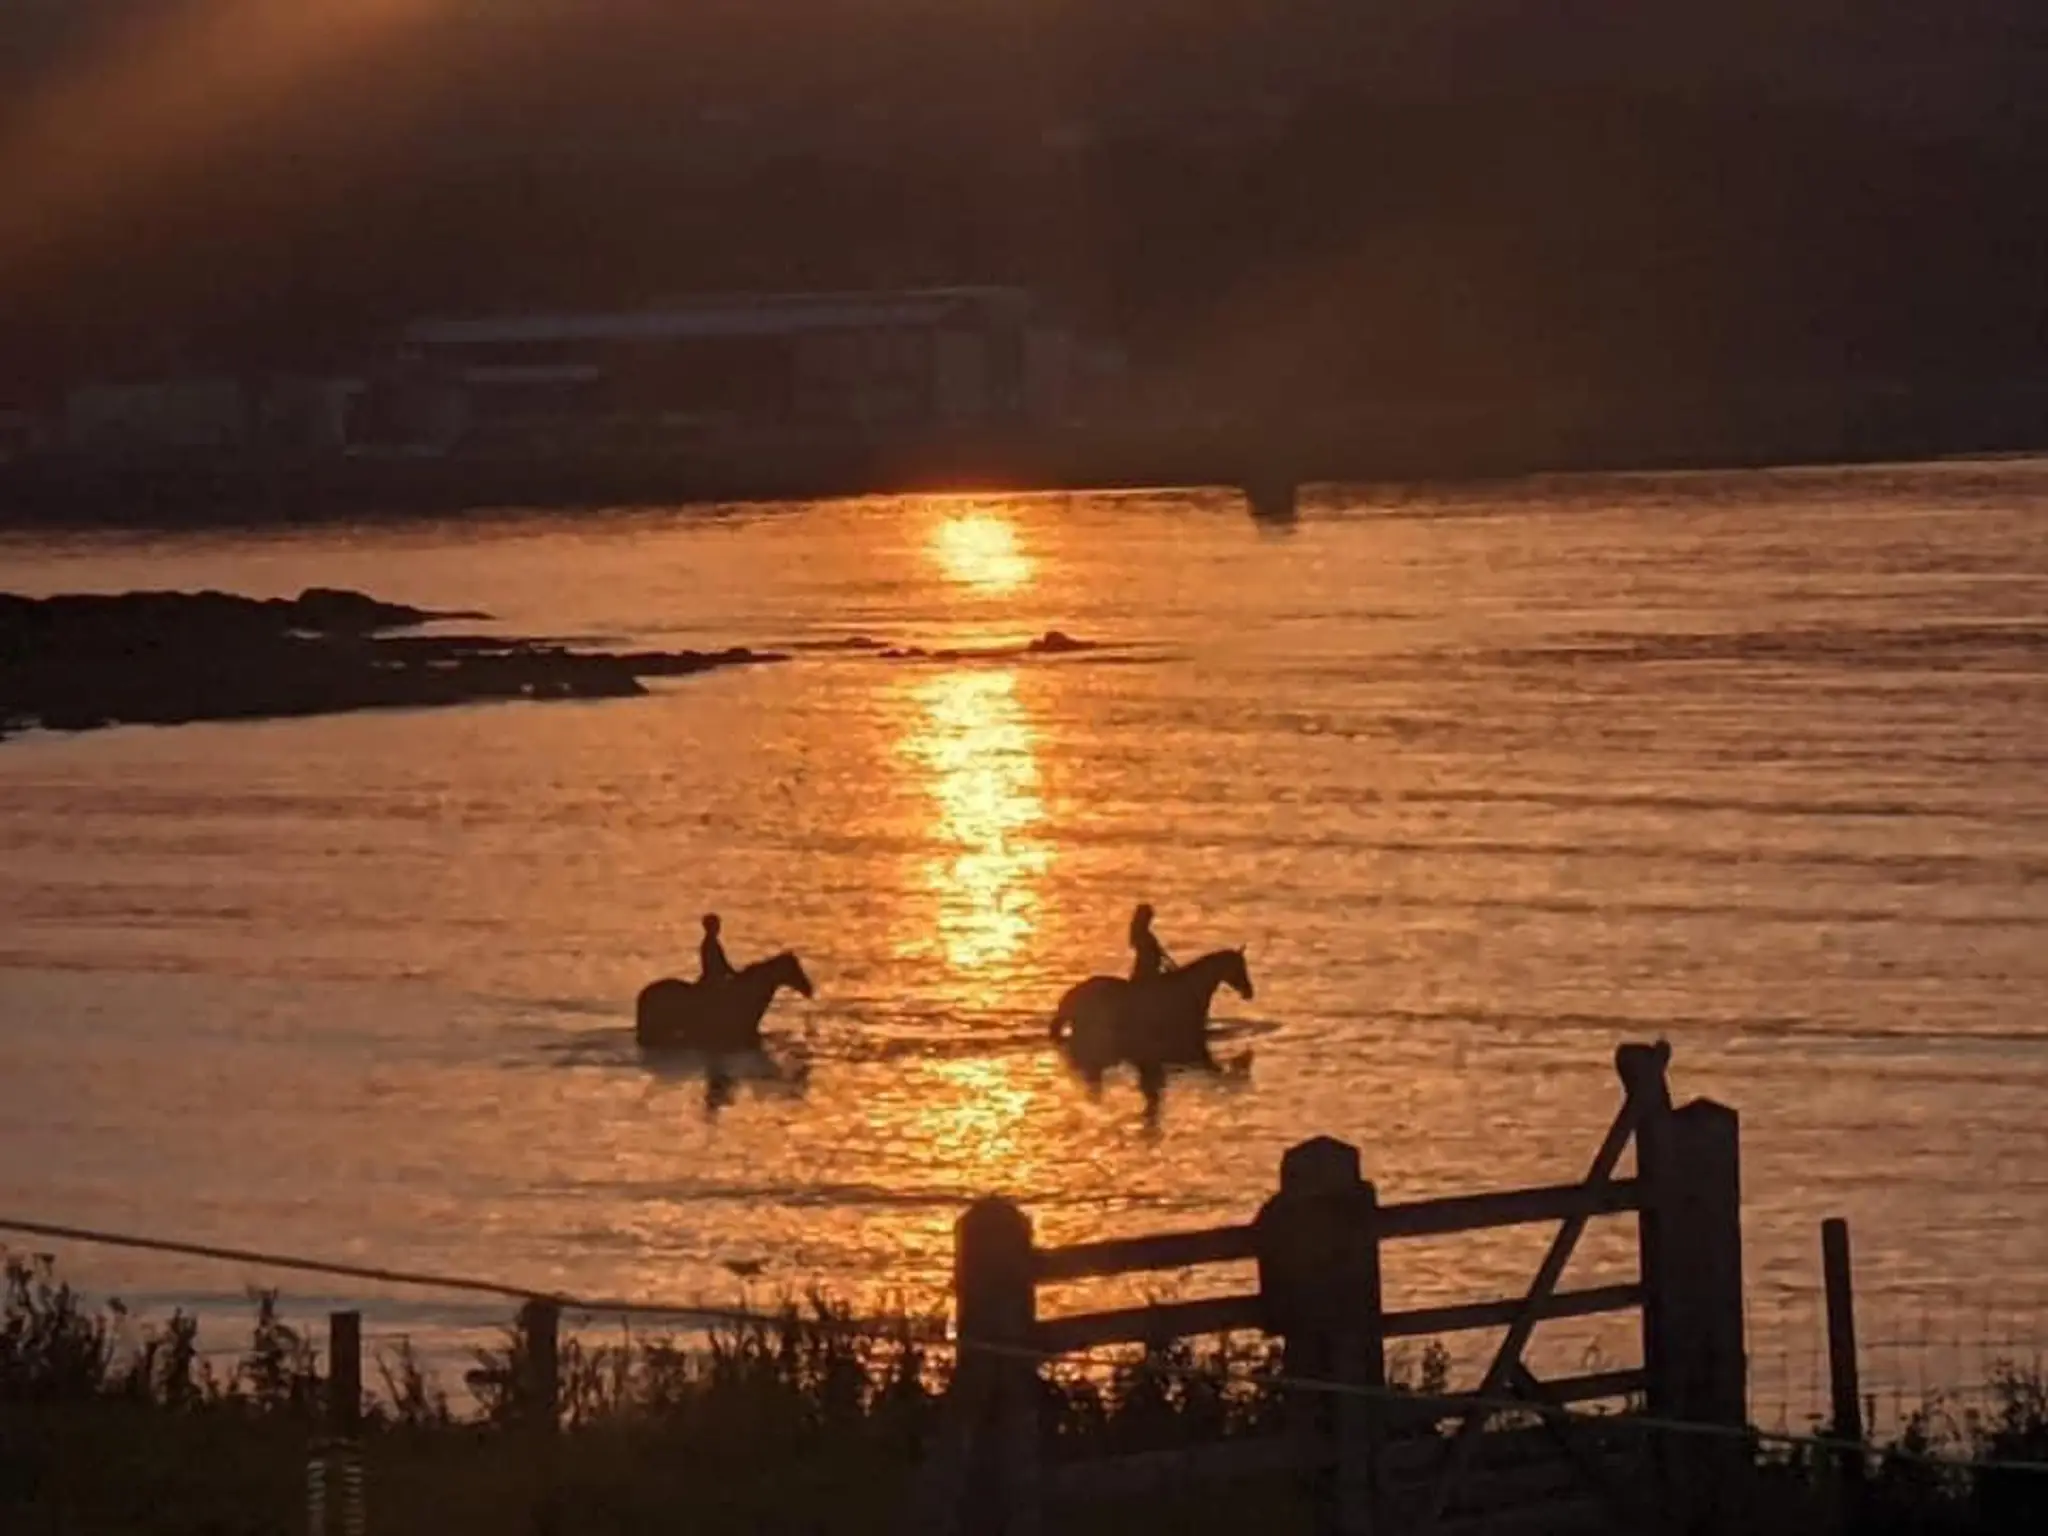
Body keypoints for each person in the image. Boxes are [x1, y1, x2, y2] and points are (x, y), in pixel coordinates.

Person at [1128, 902, 1175, 983]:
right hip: (1147, 971)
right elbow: (1147, 952)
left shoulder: (1146, 934)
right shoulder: (1142, 935)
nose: (1149, 921)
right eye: (1148, 918)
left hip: (1152, 969)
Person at [699, 912, 735, 985]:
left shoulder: (710, 942)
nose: (719, 927)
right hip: (715, 978)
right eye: (717, 925)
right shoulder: (710, 943)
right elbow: (721, 964)